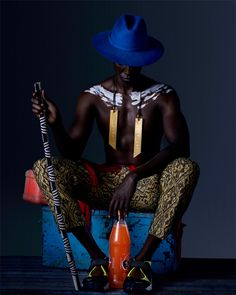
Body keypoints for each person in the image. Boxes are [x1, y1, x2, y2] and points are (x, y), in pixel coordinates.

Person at [32, 14, 200, 293]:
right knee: (44, 167)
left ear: (144, 58)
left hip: (145, 184)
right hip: (105, 184)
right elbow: (72, 152)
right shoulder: (92, 97)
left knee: (186, 167)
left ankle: (141, 263)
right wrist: (56, 122)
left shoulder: (163, 95)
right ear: (111, 56)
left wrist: (134, 178)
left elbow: (181, 147)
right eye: (122, 58)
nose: (128, 67)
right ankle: (97, 258)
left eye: (134, 59)